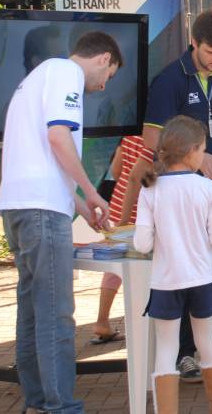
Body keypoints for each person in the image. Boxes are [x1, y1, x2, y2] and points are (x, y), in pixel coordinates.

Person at [124, 10, 212, 381]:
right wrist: (197, 157)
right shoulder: (170, 79)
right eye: (210, 52)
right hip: (177, 189)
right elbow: (152, 137)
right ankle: (185, 352)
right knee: (181, 268)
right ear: (194, 43)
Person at [0, 31, 122, 414]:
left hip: (18, 205)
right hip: (40, 209)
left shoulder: (37, 77)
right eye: (110, 75)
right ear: (103, 58)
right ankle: (61, 406)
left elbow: (44, 148)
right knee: (55, 312)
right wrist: (91, 191)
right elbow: (57, 136)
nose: (103, 86)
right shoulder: (67, 74)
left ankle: (37, 402)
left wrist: (78, 202)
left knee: (33, 310)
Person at [134, 116, 212, 414]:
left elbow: (142, 244)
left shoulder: (150, 188)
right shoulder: (207, 188)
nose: (203, 155)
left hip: (165, 281)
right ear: (191, 150)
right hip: (202, 277)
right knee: (207, 341)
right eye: (202, 149)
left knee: (166, 348)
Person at [90, 134, 149, 344]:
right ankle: (144, 323)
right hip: (142, 209)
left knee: (114, 268)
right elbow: (143, 177)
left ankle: (102, 319)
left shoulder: (129, 136)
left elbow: (116, 170)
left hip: (119, 203)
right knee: (145, 266)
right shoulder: (154, 140)